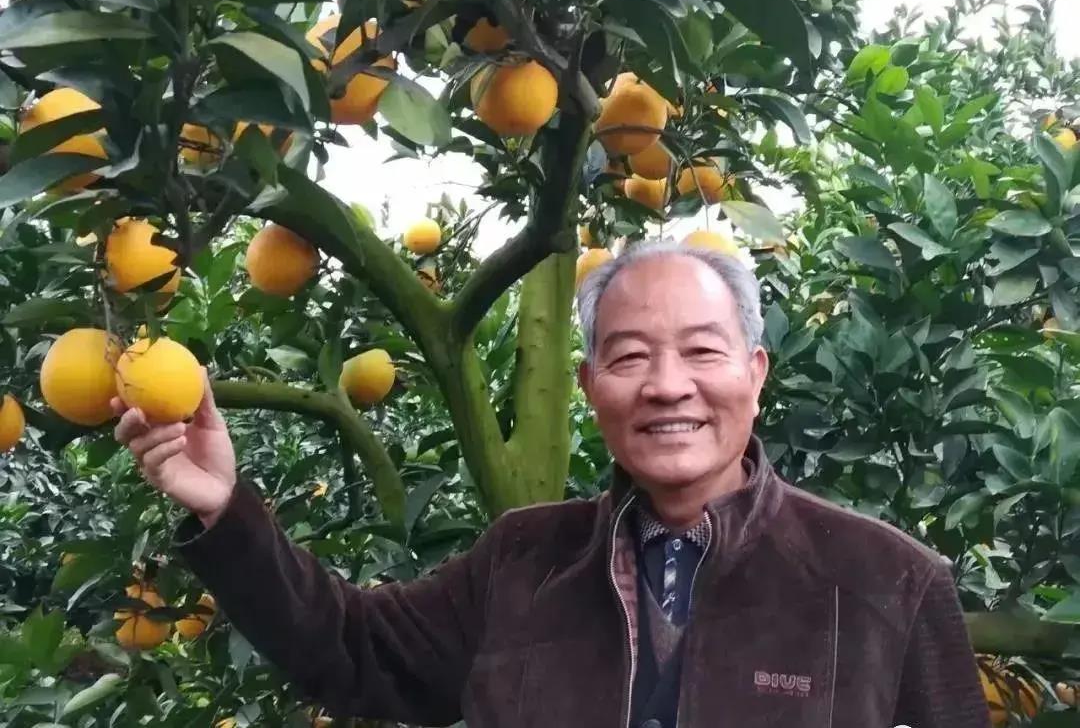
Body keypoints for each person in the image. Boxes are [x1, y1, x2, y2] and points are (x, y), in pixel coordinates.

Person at [114, 241, 991, 728]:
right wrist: (225, 509)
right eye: (631, 356)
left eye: (701, 350)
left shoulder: (887, 582)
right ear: (590, 386)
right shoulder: (523, 559)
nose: (668, 385)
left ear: (754, 374)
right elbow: (355, 651)